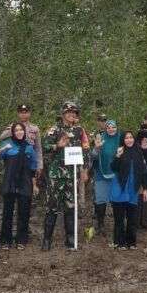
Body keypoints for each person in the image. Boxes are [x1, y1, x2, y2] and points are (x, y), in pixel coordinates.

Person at [41, 101, 86, 251]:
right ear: (62, 114)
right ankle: (46, 240)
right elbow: (44, 147)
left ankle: (70, 239)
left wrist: (84, 170)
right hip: (57, 175)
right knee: (52, 207)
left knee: (70, 207)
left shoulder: (79, 130)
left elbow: (84, 151)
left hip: (72, 175)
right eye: (69, 112)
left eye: (74, 112)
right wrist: (57, 146)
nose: (72, 114)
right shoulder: (55, 129)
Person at [0, 122, 39, 250]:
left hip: (25, 183)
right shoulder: (7, 145)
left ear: (24, 132)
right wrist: (3, 149)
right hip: (10, 183)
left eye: (21, 130)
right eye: (16, 130)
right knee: (7, 213)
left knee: (24, 212)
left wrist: (34, 185)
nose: (19, 132)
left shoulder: (29, 147)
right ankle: (5, 240)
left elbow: (33, 168)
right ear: (13, 132)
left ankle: (21, 239)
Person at [110, 130, 147, 249]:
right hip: (119, 189)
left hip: (133, 190)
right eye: (126, 138)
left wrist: (145, 189)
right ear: (123, 140)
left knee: (132, 219)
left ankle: (131, 242)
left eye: (131, 137)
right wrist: (118, 156)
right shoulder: (120, 151)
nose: (129, 140)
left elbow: (143, 172)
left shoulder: (138, 153)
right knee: (119, 219)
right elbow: (113, 168)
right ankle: (119, 242)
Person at [88, 119, 120, 235]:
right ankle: (100, 224)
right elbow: (93, 156)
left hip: (117, 174)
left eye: (113, 127)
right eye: (109, 128)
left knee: (117, 199)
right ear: (105, 129)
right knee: (101, 200)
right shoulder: (100, 138)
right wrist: (97, 148)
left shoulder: (121, 138)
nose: (111, 129)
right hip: (101, 173)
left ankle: (119, 223)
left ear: (116, 128)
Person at [0, 103, 43, 177]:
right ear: (18, 114)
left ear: (30, 114)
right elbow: (2, 137)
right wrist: (13, 129)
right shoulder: (13, 126)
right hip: (16, 160)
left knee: (29, 181)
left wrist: (39, 165)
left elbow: (38, 148)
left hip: (29, 160)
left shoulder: (34, 128)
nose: (23, 115)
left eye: (25, 112)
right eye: (21, 112)